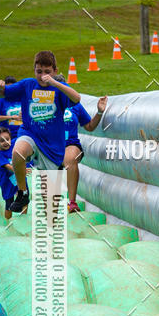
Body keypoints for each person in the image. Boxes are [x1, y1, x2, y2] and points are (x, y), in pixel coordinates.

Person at [0, 51, 80, 213]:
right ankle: (23, 192)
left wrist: (55, 83)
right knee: (18, 152)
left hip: (52, 148)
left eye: (47, 72)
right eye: (39, 71)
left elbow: (77, 98)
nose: (42, 76)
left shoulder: (59, 89)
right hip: (30, 134)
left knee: (50, 210)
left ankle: (51, 223)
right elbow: (2, 93)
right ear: (34, 70)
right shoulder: (27, 85)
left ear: (55, 71)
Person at [56, 74, 107, 213]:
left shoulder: (74, 106)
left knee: (70, 158)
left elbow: (89, 126)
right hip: (51, 146)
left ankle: (72, 202)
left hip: (70, 144)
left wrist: (99, 112)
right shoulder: (44, 106)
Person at [0, 126, 31, 219]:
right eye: (2, 141)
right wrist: (21, 169)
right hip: (7, 181)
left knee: (25, 197)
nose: (6, 142)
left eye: (7, 139)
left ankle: (24, 219)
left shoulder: (15, 143)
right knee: (9, 203)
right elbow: (7, 166)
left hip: (19, 177)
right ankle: (8, 221)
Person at [0, 76, 23, 142]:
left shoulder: (21, 99)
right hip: (6, 138)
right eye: (7, 88)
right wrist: (10, 117)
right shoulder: (0, 100)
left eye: (12, 88)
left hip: (22, 136)